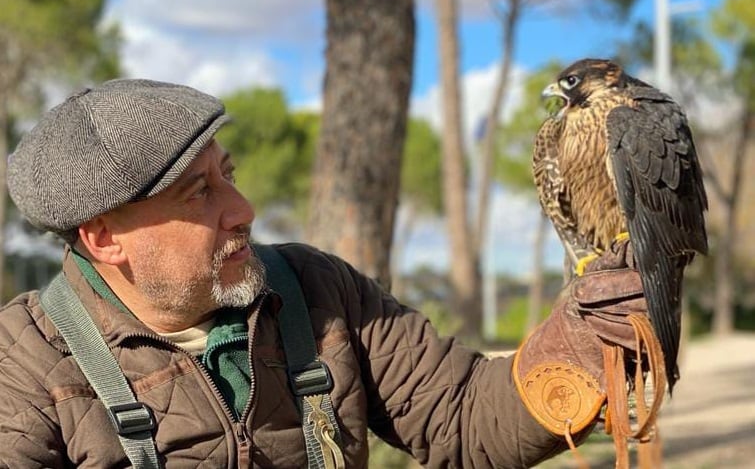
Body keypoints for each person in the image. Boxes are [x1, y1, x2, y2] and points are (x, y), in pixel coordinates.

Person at [0, 79, 651, 468]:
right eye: (198, 193)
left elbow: (459, 413)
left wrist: (588, 341)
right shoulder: (22, 364)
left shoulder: (314, 289)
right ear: (106, 237)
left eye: (229, 174)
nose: (242, 211)